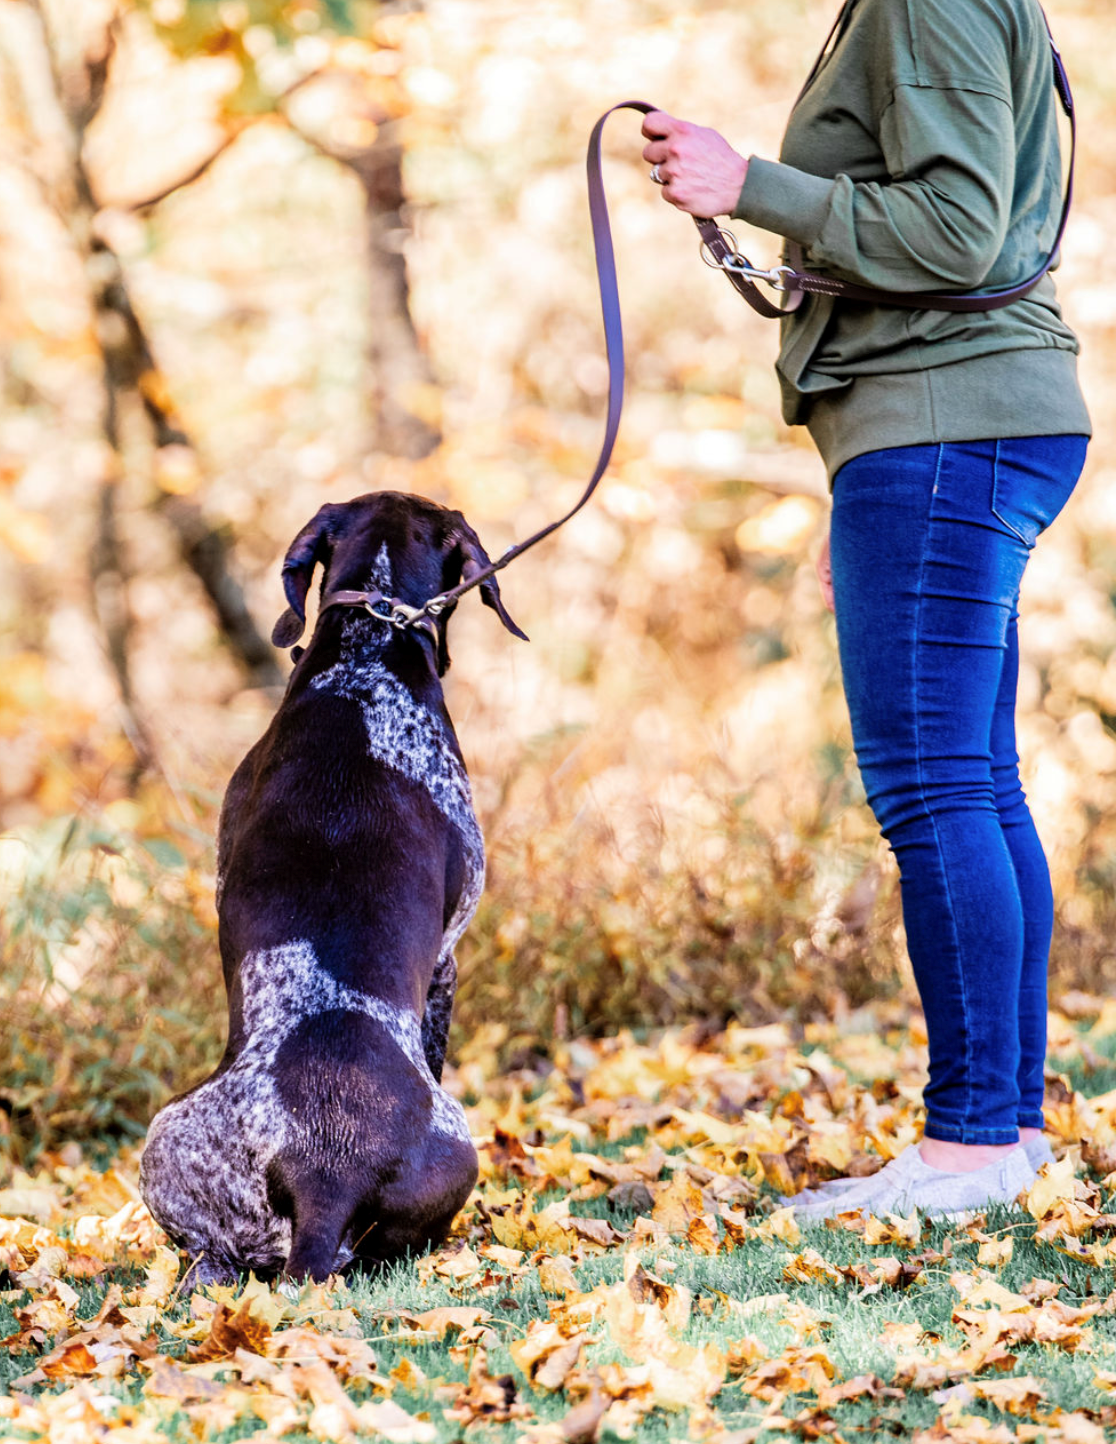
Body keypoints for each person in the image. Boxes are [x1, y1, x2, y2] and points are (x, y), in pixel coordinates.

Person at [642, 0, 1090, 1218]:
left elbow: (954, 231)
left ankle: (968, 1148)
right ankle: (1003, 1128)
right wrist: (864, 485)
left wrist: (750, 183)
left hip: (949, 420)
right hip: (956, 428)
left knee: (935, 784)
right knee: (977, 778)